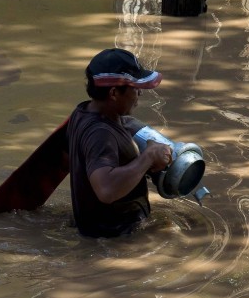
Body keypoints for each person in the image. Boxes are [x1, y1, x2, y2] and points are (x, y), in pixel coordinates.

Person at [67, 48, 172, 237]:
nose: (139, 94)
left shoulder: (82, 112)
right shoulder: (100, 133)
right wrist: (147, 157)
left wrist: (143, 164)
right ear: (114, 93)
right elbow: (106, 189)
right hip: (115, 238)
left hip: (101, 231)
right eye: (135, 88)